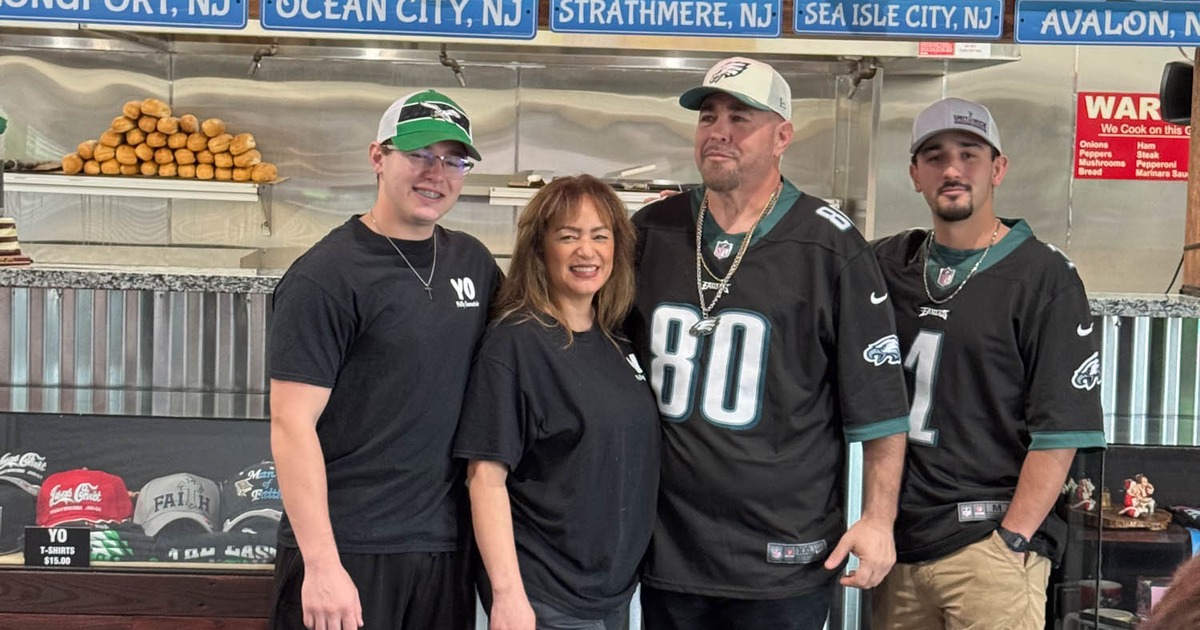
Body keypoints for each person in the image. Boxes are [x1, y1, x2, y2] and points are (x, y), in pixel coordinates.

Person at [626, 56, 910, 630]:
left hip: (784, 554)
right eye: (708, 117)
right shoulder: (652, 231)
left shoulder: (830, 247)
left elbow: (881, 407)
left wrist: (878, 520)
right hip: (668, 549)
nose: (719, 132)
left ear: (782, 137)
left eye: (740, 118)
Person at [267, 89, 501, 630]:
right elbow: (291, 424)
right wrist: (322, 566)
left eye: (453, 161)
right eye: (419, 154)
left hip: (444, 548)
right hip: (349, 548)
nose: (435, 174)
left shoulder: (472, 261)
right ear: (378, 156)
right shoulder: (326, 276)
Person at [871, 97, 1107, 629]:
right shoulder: (888, 264)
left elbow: (1060, 430)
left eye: (969, 154)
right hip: (900, 551)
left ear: (998, 168)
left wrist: (1011, 541)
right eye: (934, 157)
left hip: (989, 548)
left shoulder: (1043, 276)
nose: (952, 170)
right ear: (914, 174)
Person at [453, 174, 660, 630]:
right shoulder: (516, 344)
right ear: (540, 249)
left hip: (611, 593)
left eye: (600, 236)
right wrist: (508, 596)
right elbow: (485, 479)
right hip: (545, 594)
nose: (587, 251)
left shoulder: (615, 338)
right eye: (568, 237)